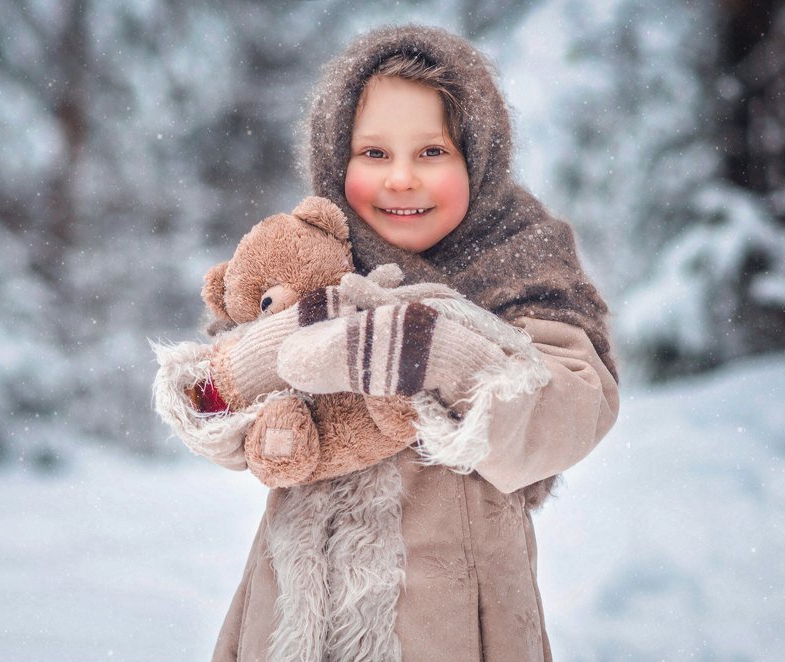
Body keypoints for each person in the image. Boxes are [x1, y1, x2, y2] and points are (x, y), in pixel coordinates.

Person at [202, 24, 618, 661]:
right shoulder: (310, 256)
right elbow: (218, 406)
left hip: (455, 616)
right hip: (298, 611)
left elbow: (576, 405)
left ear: (477, 155)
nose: (401, 179)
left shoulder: (521, 258)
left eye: (432, 152)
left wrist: (442, 356)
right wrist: (263, 357)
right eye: (373, 153)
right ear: (335, 159)